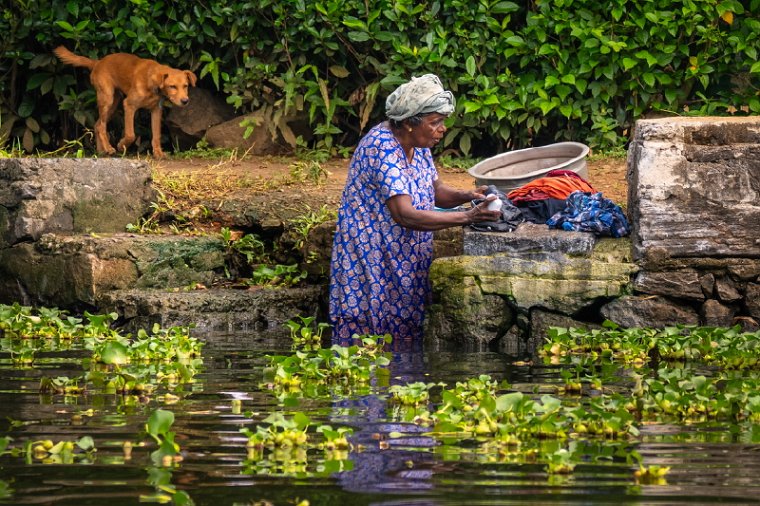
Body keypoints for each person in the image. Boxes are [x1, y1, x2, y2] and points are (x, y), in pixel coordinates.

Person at [328, 73, 501, 343]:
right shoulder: (381, 148)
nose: (442, 129)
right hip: (371, 256)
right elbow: (404, 214)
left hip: (404, 255)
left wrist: (469, 194)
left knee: (403, 339)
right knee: (367, 340)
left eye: (442, 122)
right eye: (435, 123)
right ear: (409, 123)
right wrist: (468, 216)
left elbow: (436, 192)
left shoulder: (419, 145)